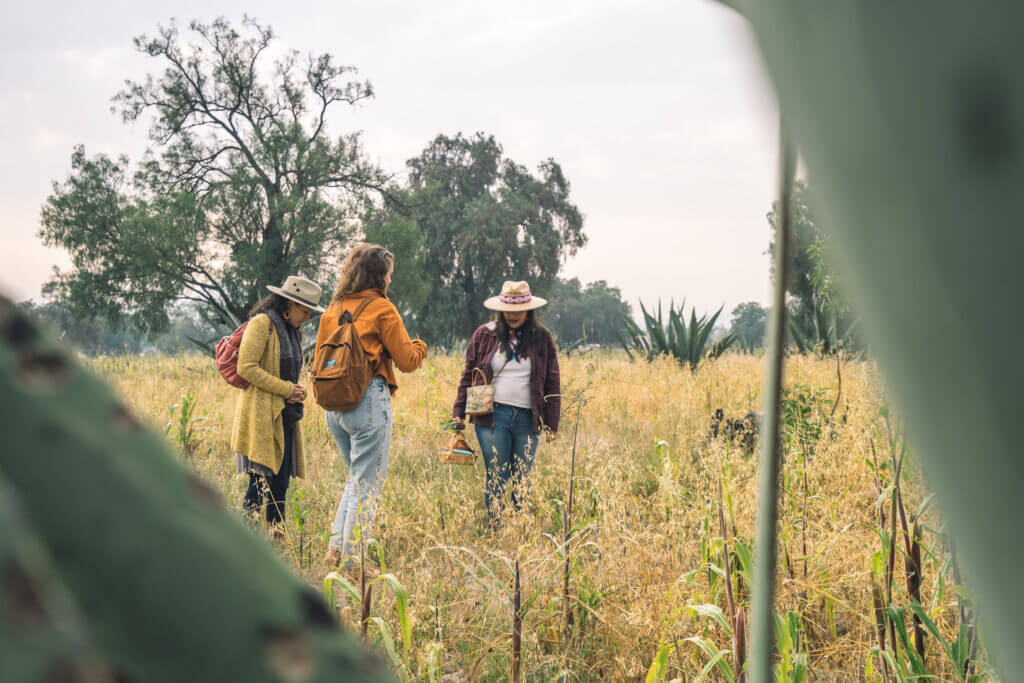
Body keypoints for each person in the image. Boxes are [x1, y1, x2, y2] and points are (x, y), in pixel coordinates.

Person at [320, 244, 428, 568]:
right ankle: (354, 563)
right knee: (367, 485)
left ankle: (335, 549)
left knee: (356, 477)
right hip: (368, 401)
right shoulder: (382, 309)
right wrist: (421, 347)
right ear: (381, 276)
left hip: (333, 407)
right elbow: (407, 361)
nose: (390, 281)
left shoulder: (333, 308)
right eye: (389, 274)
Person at [452, 280, 561, 526]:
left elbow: (552, 381)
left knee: (521, 473)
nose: (513, 316)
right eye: (508, 311)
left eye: (518, 311)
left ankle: (519, 527)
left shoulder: (542, 338)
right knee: (496, 473)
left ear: (529, 311)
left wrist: (552, 423)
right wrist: (458, 411)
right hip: (491, 415)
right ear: (500, 310)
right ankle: (495, 527)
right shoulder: (484, 334)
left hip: (527, 417)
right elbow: (469, 373)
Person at [231, 274, 323, 537]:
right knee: (261, 483)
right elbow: (246, 367)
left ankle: (277, 542)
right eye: (304, 311)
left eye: (309, 313)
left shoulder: (292, 331)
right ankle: (245, 541)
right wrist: (286, 389)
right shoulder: (262, 324)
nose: (307, 318)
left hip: (284, 418)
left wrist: (296, 392)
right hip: (261, 418)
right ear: (288, 304)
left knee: (281, 484)